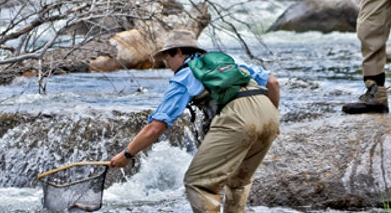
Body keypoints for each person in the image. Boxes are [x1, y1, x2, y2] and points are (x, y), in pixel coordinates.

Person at [109, 29, 280, 213]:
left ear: (180, 52)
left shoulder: (184, 76)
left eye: (167, 59)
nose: (168, 66)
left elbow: (155, 127)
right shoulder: (229, 60)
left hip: (238, 119)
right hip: (269, 114)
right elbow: (272, 82)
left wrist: (127, 154)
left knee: (198, 183)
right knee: (238, 182)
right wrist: (273, 119)